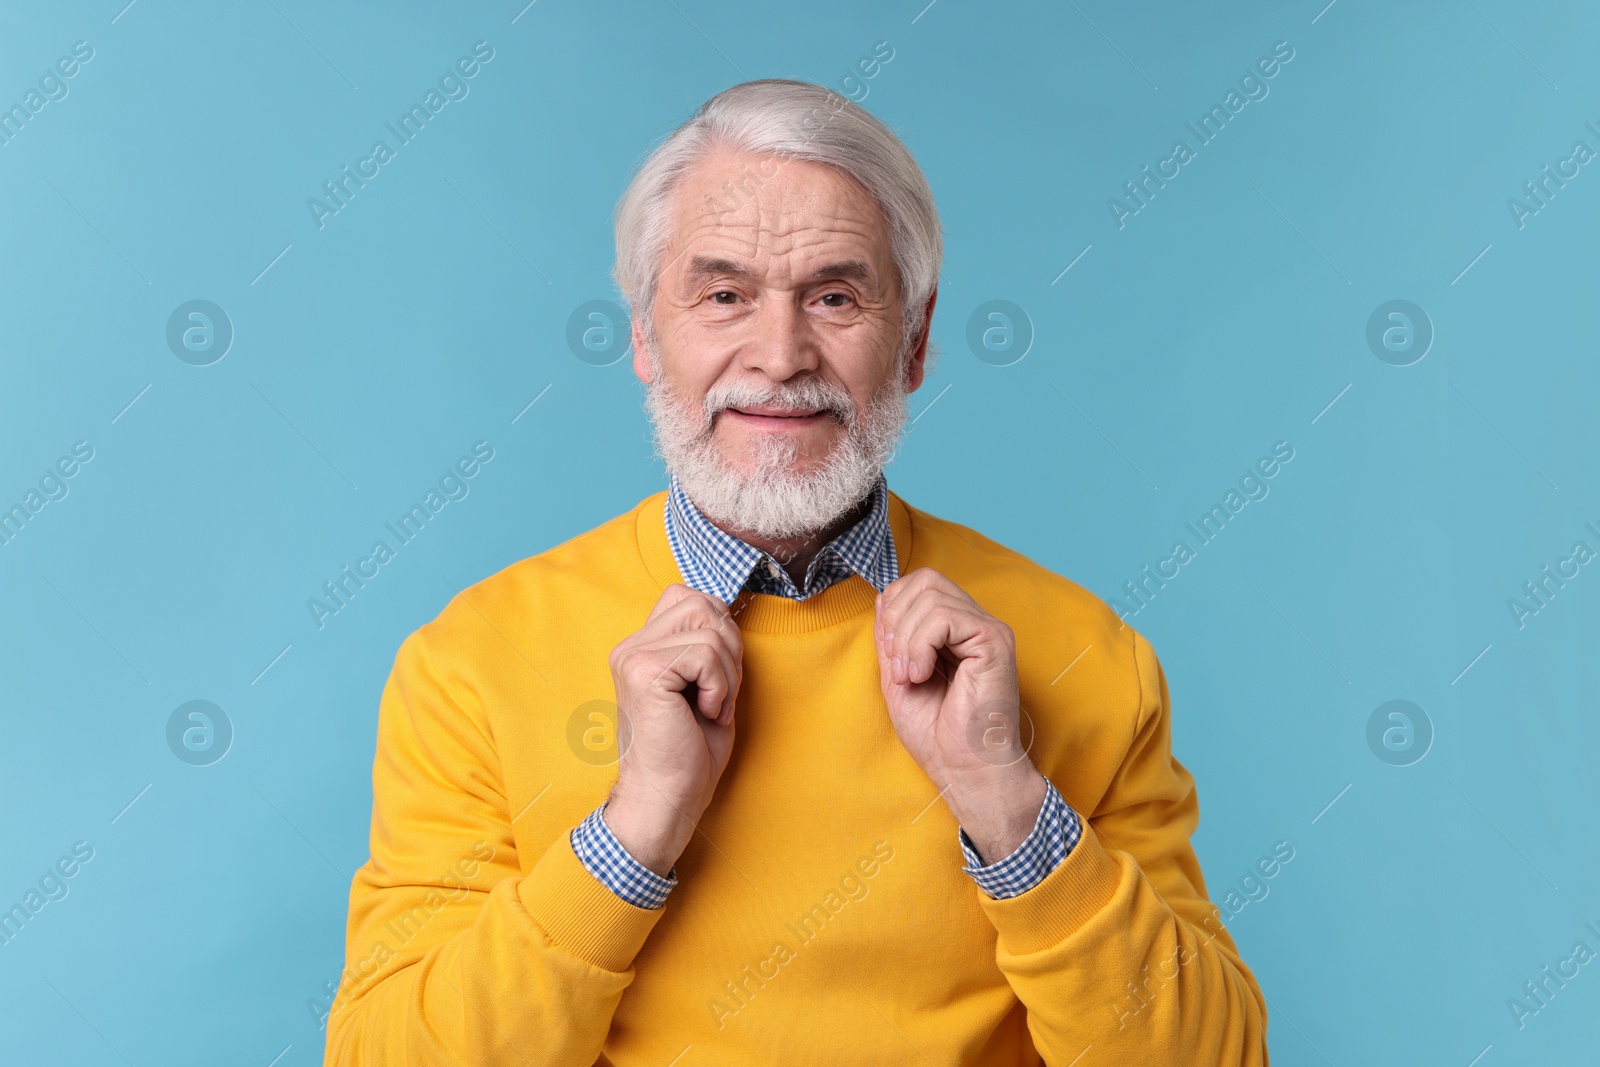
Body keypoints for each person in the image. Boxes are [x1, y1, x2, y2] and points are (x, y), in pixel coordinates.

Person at [324, 78, 1268, 1065]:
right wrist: (636, 827)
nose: (778, 357)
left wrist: (1006, 801)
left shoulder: (1084, 656)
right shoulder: (470, 664)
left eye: (834, 296)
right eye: (724, 294)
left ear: (913, 340)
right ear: (646, 334)